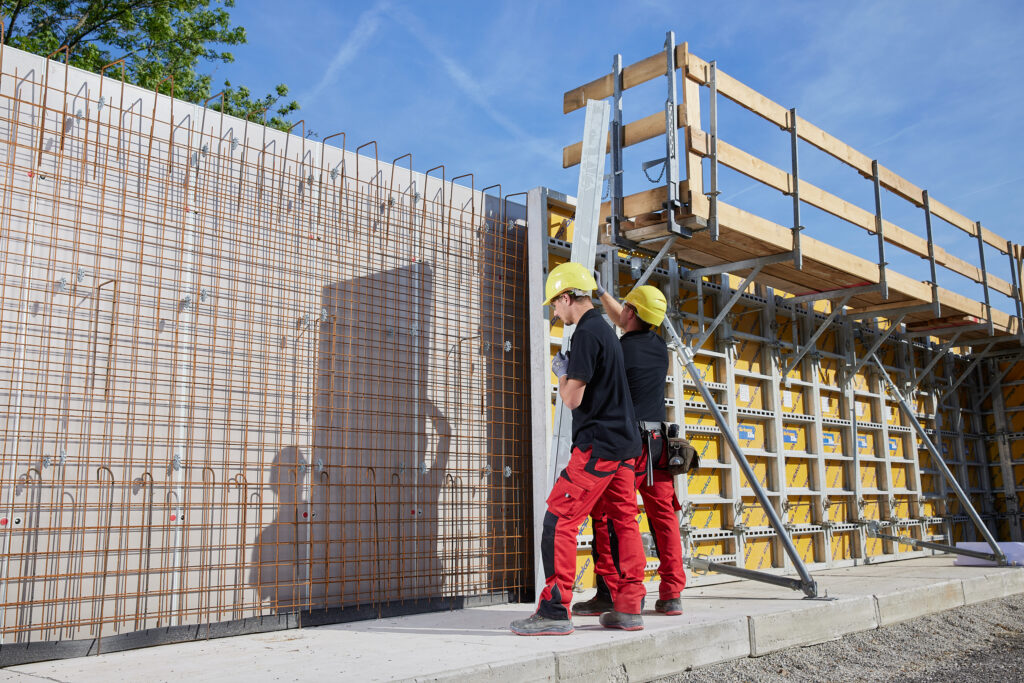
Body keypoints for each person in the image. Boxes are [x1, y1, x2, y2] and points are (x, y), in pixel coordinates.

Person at [510, 262, 648, 635]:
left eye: (555, 304)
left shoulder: (586, 333)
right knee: (623, 524)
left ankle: (554, 611)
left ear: (567, 297)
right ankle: (629, 605)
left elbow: (571, 399)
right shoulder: (605, 330)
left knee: (559, 520)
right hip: (624, 447)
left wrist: (561, 374)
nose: (555, 312)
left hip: (598, 447)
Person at [574, 277, 687, 617]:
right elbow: (625, 319)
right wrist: (602, 293)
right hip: (659, 446)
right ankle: (671, 594)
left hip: (627, 446)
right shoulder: (658, 347)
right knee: (664, 519)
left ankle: (613, 592)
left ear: (633, 312)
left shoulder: (618, 349)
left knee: (611, 517)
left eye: (625, 307)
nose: (619, 310)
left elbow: (617, 326)